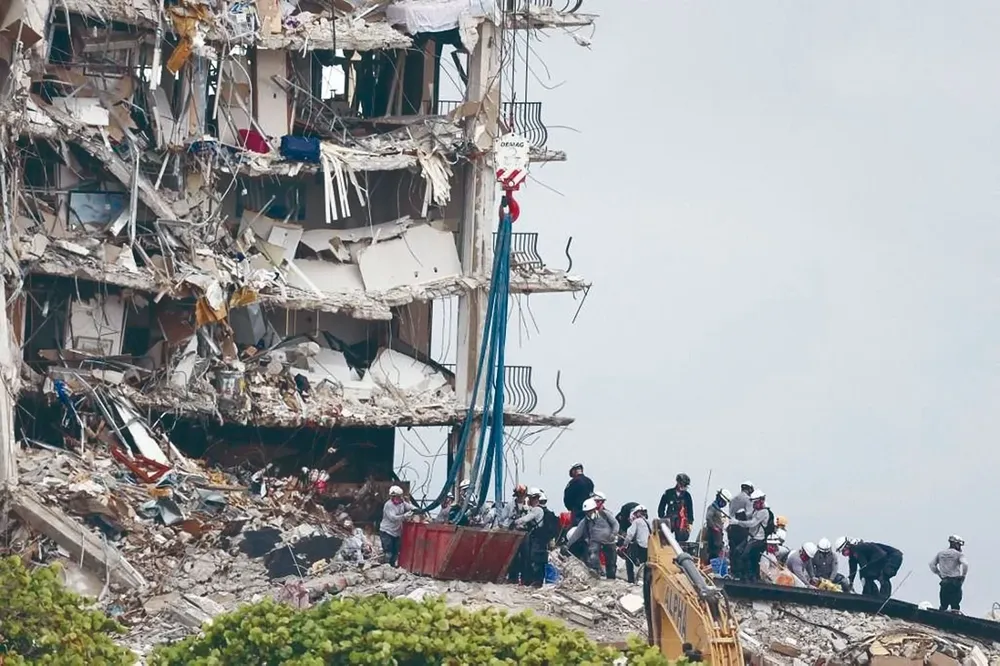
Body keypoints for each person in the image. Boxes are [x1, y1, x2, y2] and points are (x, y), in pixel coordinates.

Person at [563, 497, 619, 578]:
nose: (588, 514)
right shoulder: (585, 521)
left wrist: (613, 534)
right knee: (593, 555)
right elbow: (577, 534)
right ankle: (597, 571)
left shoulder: (605, 514)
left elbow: (615, 524)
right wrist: (567, 546)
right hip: (595, 541)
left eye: (590, 511)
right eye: (586, 512)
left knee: (611, 561)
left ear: (594, 509)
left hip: (609, 540)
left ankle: (611, 577)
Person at [837, 537, 904, 598]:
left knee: (883, 575)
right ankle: (872, 595)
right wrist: (850, 582)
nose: (844, 555)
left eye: (843, 551)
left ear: (847, 546)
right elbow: (853, 570)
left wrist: (870, 566)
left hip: (892, 557)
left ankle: (884, 598)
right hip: (882, 557)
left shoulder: (859, 548)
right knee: (866, 575)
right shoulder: (853, 556)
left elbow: (881, 554)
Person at [731, 490, 771, 581]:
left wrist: (738, 522)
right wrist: (738, 515)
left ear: (761, 501)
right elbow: (748, 516)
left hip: (757, 539)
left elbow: (752, 523)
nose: (754, 504)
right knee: (737, 551)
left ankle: (749, 577)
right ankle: (737, 574)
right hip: (750, 537)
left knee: (745, 555)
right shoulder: (756, 511)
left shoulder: (764, 512)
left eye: (755, 502)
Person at [513, 488, 547, 586]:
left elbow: (525, 519)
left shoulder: (537, 510)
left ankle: (534, 581)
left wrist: (515, 522)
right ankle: (529, 580)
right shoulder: (534, 509)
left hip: (536, 537)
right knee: (529, 558)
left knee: (533, 559)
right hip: (535, 537)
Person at [930, 535, 968, 612]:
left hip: (944, 582)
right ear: (956, 544)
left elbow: (932, 565)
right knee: (955, 606)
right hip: (955, 583)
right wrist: (963, 576)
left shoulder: (940, 554)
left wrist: (939, 574)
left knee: (943, 605)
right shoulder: (959, 554)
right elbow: (965, 564)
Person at [379, 486, 415, 567]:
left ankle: (392, 567)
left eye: (399, 496)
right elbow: (393, 518)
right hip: (387, 531)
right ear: (392, 497)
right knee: (388, 552)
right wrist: (404, 516)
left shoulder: (402, 503)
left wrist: (417, 510)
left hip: (396, 532)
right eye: (396, 496)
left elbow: (410, 507)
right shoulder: (388, 505)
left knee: (396, 552)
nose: (398, 498)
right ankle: (385, 568)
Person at [727, 481, 754, 577]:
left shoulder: (733, 499)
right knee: (742, 552)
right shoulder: (748, 500)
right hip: (742, 529)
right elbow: (749, 516)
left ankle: (733, 573)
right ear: (750, 489)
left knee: (733, 551)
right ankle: (741, 574)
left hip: (731, 528)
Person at [658, 473, 695, 542]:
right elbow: (661, 506)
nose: (683, 486)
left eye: (685, 485)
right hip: (669, 518)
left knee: (682, 538)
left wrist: (690, 523)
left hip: (681, 520)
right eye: (682, 484)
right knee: (663, 536)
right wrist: (661, 517)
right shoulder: (668, 493)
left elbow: (690, 510)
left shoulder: (687, 496)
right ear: (678, 483)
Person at [621, 505, 651, 584]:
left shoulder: (637, 522)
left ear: (637, 513)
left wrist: (624, 546)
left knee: (629, 559)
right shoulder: (649, 522)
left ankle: (631, 580)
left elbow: (630, 536)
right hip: (649, 548)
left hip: (640, 547)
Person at [703, 488, 731, 563]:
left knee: (717, 552)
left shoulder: (718, 510)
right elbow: (708, 518)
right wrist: (715, 528)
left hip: (718, 536)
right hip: (713, 535)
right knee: (713, 553)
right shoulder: (712, 507)